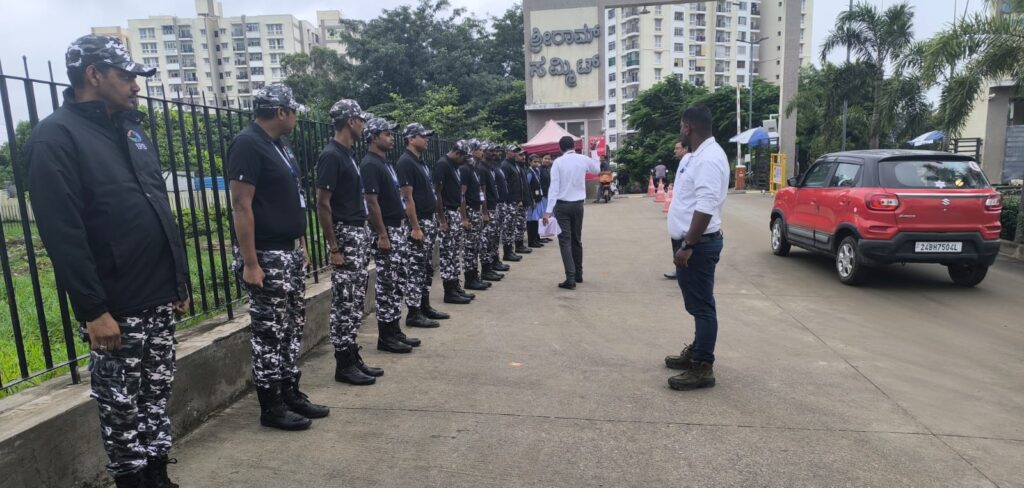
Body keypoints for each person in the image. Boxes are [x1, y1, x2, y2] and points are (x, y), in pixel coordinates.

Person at [26, 34, 189, 488]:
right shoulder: (56, 137)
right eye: (125, 76)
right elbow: (63, 233)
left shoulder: (132, 130)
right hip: (117, 306)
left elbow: (158, 206)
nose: (135, 85)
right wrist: (93, 310)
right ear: (93, 75)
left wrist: (178, 280)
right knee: (122, 409)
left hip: (158, 293)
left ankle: (159, 476)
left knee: (156, 396)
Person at [228, 83, 330, 432]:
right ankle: (271, 405)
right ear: (280, 112)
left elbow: (291, 199)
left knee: (291, 327)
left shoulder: (280, 145)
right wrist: (251, 262)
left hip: (288, 251)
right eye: (293, 110)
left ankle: (289, 391)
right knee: (269, 332)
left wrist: (300, 243)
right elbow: (241, 205)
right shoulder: (248, 143)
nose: (297, 116)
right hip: (266, 254)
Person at [314, 99, 381, 386]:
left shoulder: (348, 154)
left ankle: (352, 356)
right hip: (345, 234)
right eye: (361, 120)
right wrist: (334, 247)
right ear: (350, 121)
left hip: (357, 232)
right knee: (345, 301)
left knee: (355, 301)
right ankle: (343, 363)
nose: (364, 125)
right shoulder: (331, 155)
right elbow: (322, 203)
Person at [664, 104, 729, 391]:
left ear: (688, 127)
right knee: (698, 304)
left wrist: (688, 244)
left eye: (682, 127)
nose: (681, 131)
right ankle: (698, 350)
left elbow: (705, 205)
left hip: (698, 245)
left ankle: (703, 366)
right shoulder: (699, 156)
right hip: (693, 243)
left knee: (702, 306)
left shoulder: (708, 159)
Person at [360, 117, 420, 354]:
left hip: (397, 228)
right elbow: (371, 202)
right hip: (387, 231)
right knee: (387, 284)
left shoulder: (384, 163)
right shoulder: (370, 164)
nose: (392, 138)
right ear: (374, 137)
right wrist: (382, 234)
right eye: (387, 134)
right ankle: (386, 336)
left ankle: (394, 330)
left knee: (397, 282)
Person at [397, 122, 450, 328]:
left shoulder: (420, 162)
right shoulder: (405, 162)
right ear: (411, 139)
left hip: (428, 220)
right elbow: (407, 198)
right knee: (415, 268)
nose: (427, 139)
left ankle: (424, 305)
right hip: (418, 221)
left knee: (426, 267)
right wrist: (415, 227)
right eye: (423, 136)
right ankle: (414, 312)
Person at [543, 136, 600, 290]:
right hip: (578, 205)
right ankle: (578, 274)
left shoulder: (558, 163)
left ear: (560, 148)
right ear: (574, 146)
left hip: (562, 206)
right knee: (576, 240)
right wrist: (594, 152)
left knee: (565, 242)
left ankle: (570, 278)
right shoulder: (583, 159)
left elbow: (554, 188)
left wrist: (548, 211)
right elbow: (597, 169)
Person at [433, 141, 475, 304]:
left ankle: (455, 286)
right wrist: (442, 220)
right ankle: (449, 291)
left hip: (454, 211)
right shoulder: (443, 165)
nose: (465, 161)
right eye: (464, 157)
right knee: (448, 255)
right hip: (447, 213)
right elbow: (438, 193)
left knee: (454, 253)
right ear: (457, 153)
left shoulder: (454, 166)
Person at [460, 141, 492, 291]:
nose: (482, 152)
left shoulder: (475, 169)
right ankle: (469, 279)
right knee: (469, 247)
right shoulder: (465, 169)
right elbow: (462, 194)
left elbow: (480, 192)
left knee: (475, 246)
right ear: (471, 151)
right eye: (478, 149)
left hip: (476, 209)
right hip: (469, 211)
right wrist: (464, 218)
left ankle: (475, 276)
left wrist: (483, 211)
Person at [478, 142, 507, 280]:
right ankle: (486, 269)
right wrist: (484, 212)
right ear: (484, 151)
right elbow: (482, 192)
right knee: (486, 240)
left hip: (493, 206)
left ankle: (493, 263)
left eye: (496, 151)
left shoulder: (491, 167)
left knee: (493, 238)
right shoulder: (481, 168)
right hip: (487, 208)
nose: (495, 153)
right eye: (491, 151)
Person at [664, 142, 690, 280]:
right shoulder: (682, 163)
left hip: (685, 217)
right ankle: (679, 270)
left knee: (683, 245)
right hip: (678, 215)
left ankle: (683, 270)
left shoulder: (690, 162)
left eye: (677, 148)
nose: (675, 151)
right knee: (677, 243)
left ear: (686, 149)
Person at [500, 146, 524, 262]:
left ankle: (510, 251)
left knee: (511, 227)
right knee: (508, 228)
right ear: (507, 152)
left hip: (514, 201)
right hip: (509, 201)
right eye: (513, 151)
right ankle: (507, 252)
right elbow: (505, 185)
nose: (515, 154)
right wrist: (509, 200)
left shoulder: (513, 165)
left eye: (516, 152)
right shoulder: (505, 165)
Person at [515, 149, 534, 255]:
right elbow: (517, 186)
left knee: (522, 225)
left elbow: (526, 186)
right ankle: (518, 246)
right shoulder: (515, 167)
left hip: (526, 200)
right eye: (520, 155)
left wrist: (530, 199)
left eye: (524, 155)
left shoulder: (522, 168)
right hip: (519, 201)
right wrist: (519, 200)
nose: (523, 157)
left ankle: (521, 244)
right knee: (519, 225)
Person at [526, 154, 546, 247]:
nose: (537, 163)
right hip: (533, 200)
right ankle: (532, 241)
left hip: (539, 198)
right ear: (530, 162)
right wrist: (532, 200)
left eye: (538, 162)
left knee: (537, 220)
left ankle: (537, 239)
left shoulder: (537, 171)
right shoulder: (529, 173)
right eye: (534, 162)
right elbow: (527, 187)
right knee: (532, 220)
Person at [539, 154, 554, 242]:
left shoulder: (548, 169)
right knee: (542, 215)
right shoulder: (539, 169)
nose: (547, 160)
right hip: (542, 196)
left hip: (549, 195)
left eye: (549, 159)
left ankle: (546, 234)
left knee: (548, 215)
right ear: (542, 159)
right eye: (545, 158)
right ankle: (541, 235)